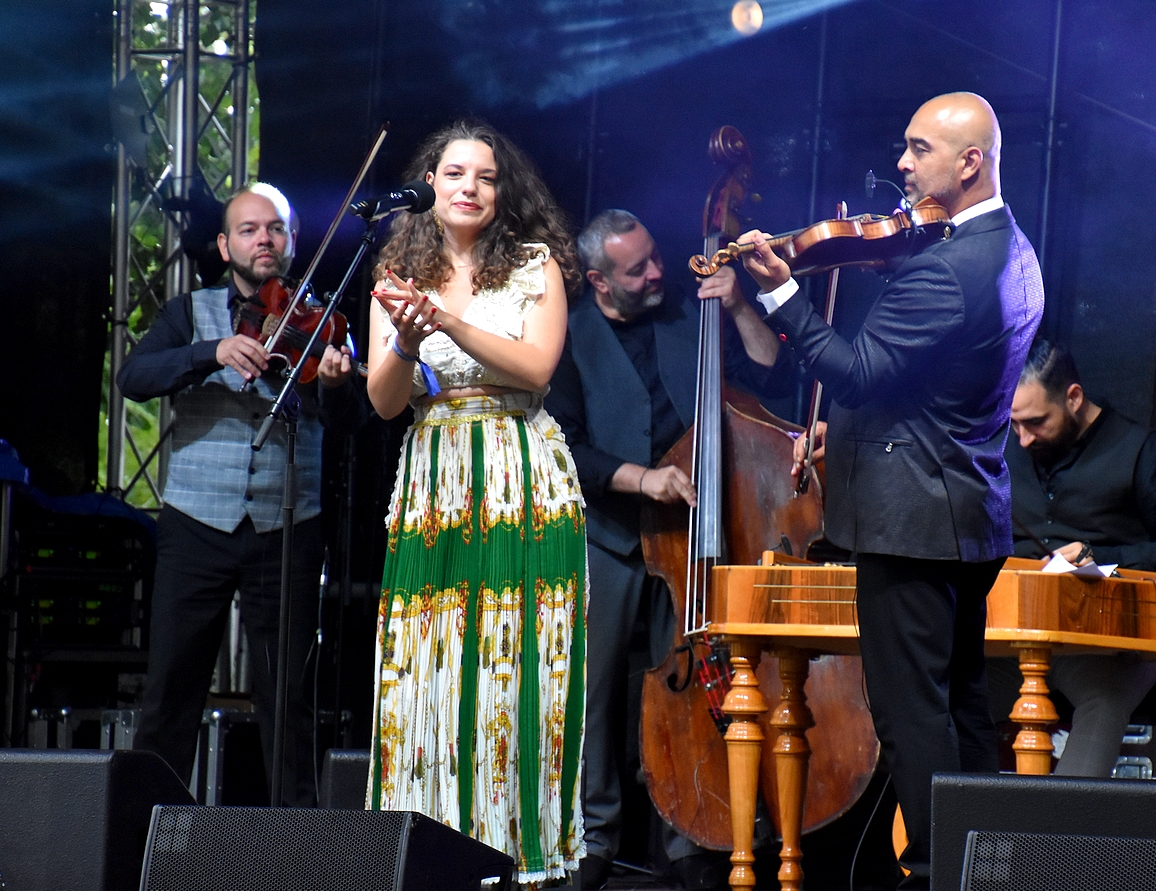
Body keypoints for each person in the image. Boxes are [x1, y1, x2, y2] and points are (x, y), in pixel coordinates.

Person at [735, 92, 1044, 887]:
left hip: (914, 524)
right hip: (966, 513)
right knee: (961, 706)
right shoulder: (1014, 250)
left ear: (970, 161)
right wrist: (852, 432)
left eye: (919, 149)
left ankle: (940, 870)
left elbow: (857, 371)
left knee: (912, 717)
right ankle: (982, 872)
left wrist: (781, 295)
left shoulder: (946, 269)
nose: (902, 164)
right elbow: (933, 389)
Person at [363, 120, 587, 886]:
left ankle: (518, 851)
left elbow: (536, 367)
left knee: (511, 663)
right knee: (427, 664)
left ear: (502, 189)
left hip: (519, 470)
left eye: (487, 177)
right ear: (429, 183)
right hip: (435, 476)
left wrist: (449, 322)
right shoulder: (397, 268)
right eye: (455, 173)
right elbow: (385, 402)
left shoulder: (534, 264)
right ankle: (428, 848)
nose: (471, 187)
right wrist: (403, 341)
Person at [543, 209, 793, 890]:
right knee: (592, 694)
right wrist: (642, 478)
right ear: (598, 279)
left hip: (692, 539)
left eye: (655, 257)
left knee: (694, 688)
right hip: (611, 532)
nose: (658, 273)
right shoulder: (567, 331)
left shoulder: (691, 312)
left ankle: (691, 836)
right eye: (637, 269)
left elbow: (769, 372)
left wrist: (739, 306)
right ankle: (593, 838)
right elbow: (560, 443)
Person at [117, 182, 356, 805]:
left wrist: (336, 385)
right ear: (225, 246)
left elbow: (355, 425)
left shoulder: (324, 321)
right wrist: (211, 352)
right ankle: (150, 830)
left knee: (288, 697)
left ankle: (296, 840)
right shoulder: (188, 313)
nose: (263, 240)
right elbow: (133, 377)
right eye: (248, 230)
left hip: (288, 526)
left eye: (275, 229)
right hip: (195, 522)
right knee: (171, 688)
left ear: (293, 240)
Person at [995, 338, 1156, 777]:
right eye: (1014, 424)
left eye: (1036, 423)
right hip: (1011, 637)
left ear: (1073, 398)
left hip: (1110, 641)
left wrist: (1104, 558)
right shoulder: (1007, 449)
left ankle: (1056, 822)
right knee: (943, 694)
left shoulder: (1142, 451)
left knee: (1103, 701)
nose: (1022, 440)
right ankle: (957, 814)